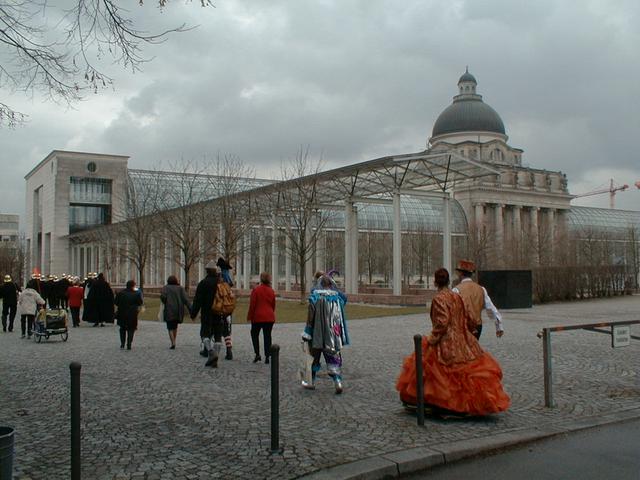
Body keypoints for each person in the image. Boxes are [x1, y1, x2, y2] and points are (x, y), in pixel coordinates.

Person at [396, 268, 510, 416]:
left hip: (446, 342)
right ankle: (468, 403)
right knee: (464, 372)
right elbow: (470, 316)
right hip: (463, 339)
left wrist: (432, 339)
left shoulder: (439, 298)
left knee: (440, 371)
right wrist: (470, 331)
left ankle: (443, 403)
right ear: (448, 281)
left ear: (435, 282)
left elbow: (442, 322)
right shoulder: (457, 296)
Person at [301, 275, 349, 394]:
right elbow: (343, 304)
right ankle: (338, 382)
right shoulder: (337, 298)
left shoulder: (315, 297)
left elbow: (310, 317)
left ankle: (310, 382)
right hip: (333, 335)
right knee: (333, 359)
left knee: (313, 358)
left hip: (316, 334)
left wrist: (307, 332)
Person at [452, 260, 503, 339]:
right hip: (478, 326)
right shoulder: (481, 289)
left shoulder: (456, 290)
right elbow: (490, 308)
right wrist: (499, 327)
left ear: (460, 273)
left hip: (463, 326)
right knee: (474, 346)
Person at [191, 261, 224, 367]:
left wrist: (193, 313)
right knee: (218, 335)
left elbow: (197, 300)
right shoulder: (221, 283)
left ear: (207, 271)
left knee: (205, 334)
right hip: (219, 312)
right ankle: (215, 356)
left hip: (207, 312)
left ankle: (210, 352)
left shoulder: (203, 283)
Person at [247, 272, 276, 364]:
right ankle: (267, 356)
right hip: (269, 316)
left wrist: (250, 316)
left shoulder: (256, 290)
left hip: (258, 316)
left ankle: (257, 353)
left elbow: (252, 305)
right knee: (267, 336)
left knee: (254, 334)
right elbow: (273, 304)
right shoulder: (271, 291)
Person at [160, 275, 192, 349]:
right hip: (178, 309)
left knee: (170, 327)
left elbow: (163, 297)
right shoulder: (180, 288)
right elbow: (185, 299)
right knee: (175, 326)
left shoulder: (166, 288)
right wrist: (191, 308)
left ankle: (173, 342)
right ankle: (174, 340)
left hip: (169, 308)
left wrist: (165, 301)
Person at [114, 280, 143, 350]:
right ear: (133, 286)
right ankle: (129, 343)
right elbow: (140, 303)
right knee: (131, 329)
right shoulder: (136, 294)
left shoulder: (121, 293)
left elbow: (116, 302)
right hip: (132, 314)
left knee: (122, 328)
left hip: (122, 313)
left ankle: (122, 343)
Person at [216, 257, 235, 360]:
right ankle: (229, 350)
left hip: (218, 309)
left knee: (215, 331)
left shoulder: (218, 283)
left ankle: (212, 351)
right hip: (227, 309)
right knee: (226, 330)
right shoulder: (228, 284)